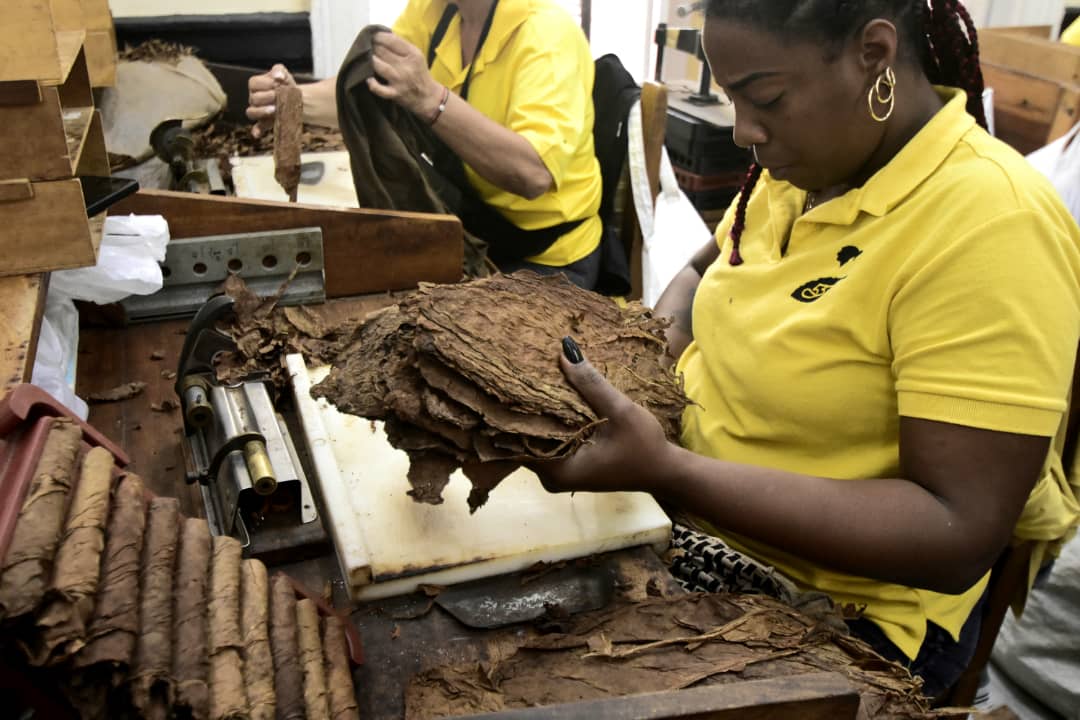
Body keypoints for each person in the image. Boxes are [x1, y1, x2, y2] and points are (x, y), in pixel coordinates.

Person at [535, 0, 1080, 701]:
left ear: (873, 57)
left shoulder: (991, 224)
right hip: (681, 506)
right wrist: (646, 360)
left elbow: (956, 533)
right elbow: (705, 270)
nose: (743, 129)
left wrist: (672, 471)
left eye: (765, 97)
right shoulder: (812, 166)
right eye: (732, 96)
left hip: (837, 609)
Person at [246, 0, 608, 290]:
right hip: (470, 229)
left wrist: (431, 99)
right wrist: (290, 101)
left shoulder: (547, 34)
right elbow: (370, 89)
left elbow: (533, 174)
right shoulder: (435, 11)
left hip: (547, 262)